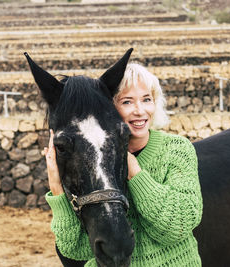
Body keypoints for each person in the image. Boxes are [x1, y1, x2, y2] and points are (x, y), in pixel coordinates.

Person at [44, 63, 203, 267]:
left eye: (147, 99)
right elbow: (76, 249)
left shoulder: (176, 149)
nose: (140, 110)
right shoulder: (95, 164)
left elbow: (177, 226)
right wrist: (56, 189)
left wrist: (134, 172)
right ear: (109, 108)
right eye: (127, 102)